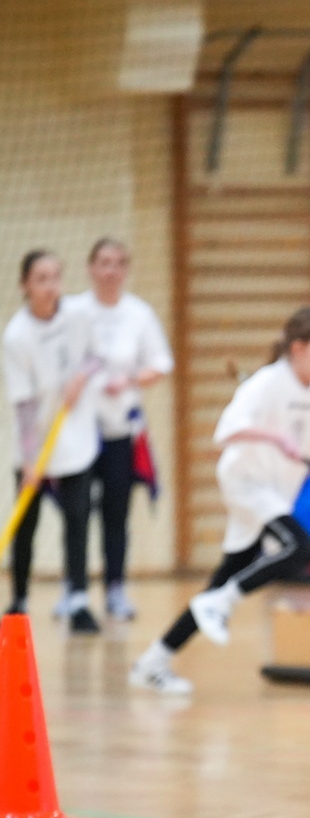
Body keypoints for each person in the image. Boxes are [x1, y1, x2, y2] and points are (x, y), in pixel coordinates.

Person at [128, 306, 310, 696]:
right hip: (245, 482)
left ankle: (153, 661)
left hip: (279, 489)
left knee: (223, 580)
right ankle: (224, 602)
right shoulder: (267, 383)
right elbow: (226, 431)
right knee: (300, 548)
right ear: (298, 348)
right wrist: (274, 436)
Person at [57, 238, 174, 622]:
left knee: (116, 512)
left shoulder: (138, 314)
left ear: (126, 270)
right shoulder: (72, 310)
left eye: (118, 263)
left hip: (119, 429)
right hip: (78, 430)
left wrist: (129, 380)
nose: (110, 271)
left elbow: (160, 363)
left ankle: (116, 589)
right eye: (104, 263)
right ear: (90, 268)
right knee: (76, 512)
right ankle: (74, 590)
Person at [3, 250, 102, 632]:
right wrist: (30, 460)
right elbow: (24, 405)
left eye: (55, 277)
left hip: (75, 439)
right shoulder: (17, 335)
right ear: (25, 285)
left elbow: (97, 356)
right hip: (36, 443)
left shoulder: (78, 315)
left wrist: (82, 376)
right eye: (41, 279)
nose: (50, 286)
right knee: (26, 524)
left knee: (77, 520)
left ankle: (78, 600)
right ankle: (19, 599)